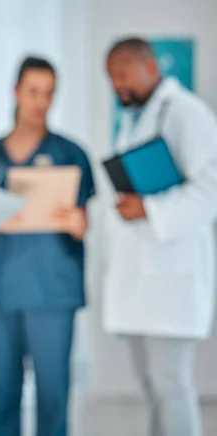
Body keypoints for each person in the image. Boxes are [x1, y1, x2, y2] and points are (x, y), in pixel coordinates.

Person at [0, 57, 95, 436]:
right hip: (1, 291)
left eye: (49, 93)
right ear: (17, 92)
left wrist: (78, 223)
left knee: (54, 396)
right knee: (2, 396)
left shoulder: (72, 154)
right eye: (34, 92)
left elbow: (83, 219)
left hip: (53, 292)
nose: (41, 101)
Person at [103, 37, 217, 436]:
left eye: (122, 74)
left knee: (171, 386)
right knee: (154, 387)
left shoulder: (188, 114)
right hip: (144, 280)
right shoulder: (138, 117)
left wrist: (150, 209)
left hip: (173, 280)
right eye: (111, 78)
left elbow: (211, 191)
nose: (117, 85)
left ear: (149, 66)